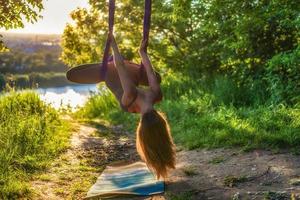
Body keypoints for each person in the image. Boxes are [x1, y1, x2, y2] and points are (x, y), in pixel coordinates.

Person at [67, 34, 176, 179]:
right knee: (77, 74)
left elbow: (140, 71)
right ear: (141, 127)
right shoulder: (131, 96)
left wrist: (140, 52)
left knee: (72, 75)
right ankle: (108, 63)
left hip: (120, 73)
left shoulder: (154, 94)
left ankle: (109, 63)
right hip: (117, 73)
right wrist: (124, 47)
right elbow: (127, 68)